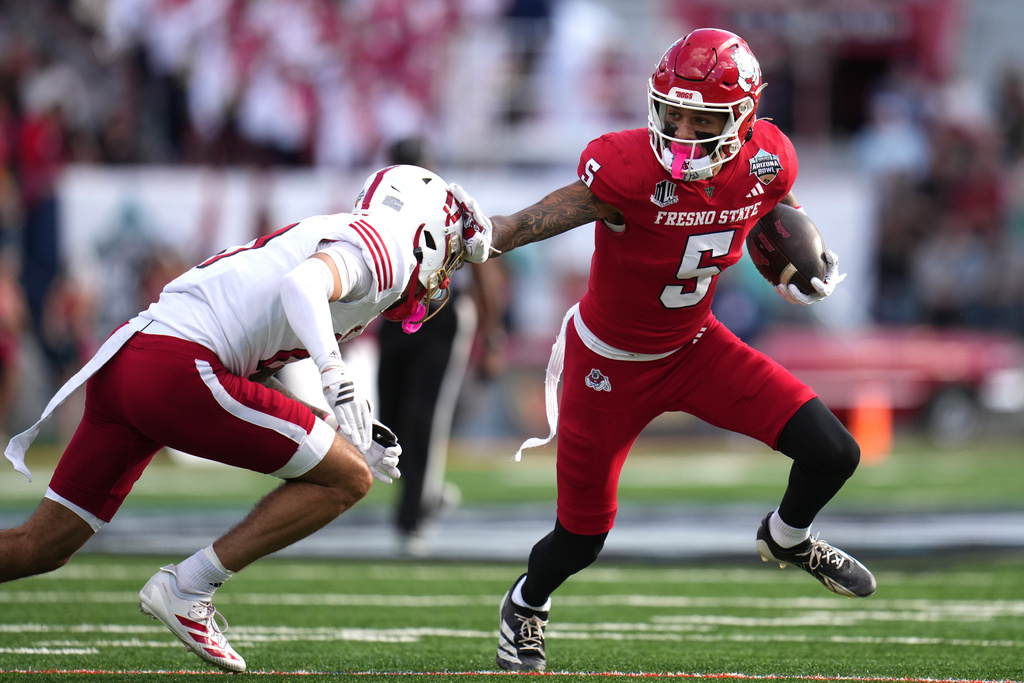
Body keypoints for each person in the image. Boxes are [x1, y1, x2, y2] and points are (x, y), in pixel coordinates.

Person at [475, 28, 877, 672]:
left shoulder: (769, 157)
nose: (683, 132)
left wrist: (804, 257)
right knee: (582, 538)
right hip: (606, 364)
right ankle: (527, 602)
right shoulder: (627, 168)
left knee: (835, 452)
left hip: (695, 348)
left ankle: (787, 537)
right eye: (674, 113)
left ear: (743, 119)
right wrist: (472, 236)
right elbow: (534, 219)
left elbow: (778, 206)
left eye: (703, 119)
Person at [0, 164, 493, 673]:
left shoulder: (339, 237)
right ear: (423, 230)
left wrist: (335, 424)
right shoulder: (380, 250)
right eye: (449, 252)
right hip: (179, 365)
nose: (444, 271)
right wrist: (334, 376)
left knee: (44, 545)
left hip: (132, 358)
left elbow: (252, 366)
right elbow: (302, 287)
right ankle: (188, 588)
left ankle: (186, 587)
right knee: (347, 479)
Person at [376, 138, 508, 554]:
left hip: (439, 315)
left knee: (424, 416)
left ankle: (413, 516)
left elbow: (484, 266)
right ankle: (427, 495)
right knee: (391, 418)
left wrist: (492, 336)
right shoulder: (379, 202)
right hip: (396, 317)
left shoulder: (448, 203)